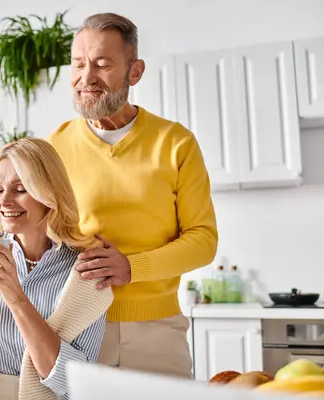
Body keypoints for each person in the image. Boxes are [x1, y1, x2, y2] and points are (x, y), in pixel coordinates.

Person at [47, 13, 218, 379]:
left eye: (102, 64)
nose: (86, 77)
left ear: (135, 71)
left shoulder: (176, 142)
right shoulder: (53, 147)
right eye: (78, 64)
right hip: (77, 327)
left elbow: (203, 241)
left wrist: (131, 268)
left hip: (158, 332)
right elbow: (22, 228)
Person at [0, 138, 113, 399]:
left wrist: (15, 296)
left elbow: (73, 383)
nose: (5, 201)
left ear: (48, 194)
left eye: (20, 189)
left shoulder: (85, 271)